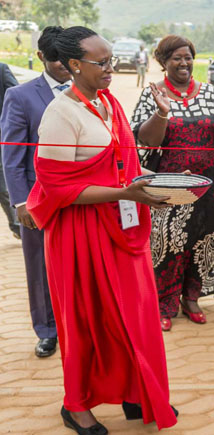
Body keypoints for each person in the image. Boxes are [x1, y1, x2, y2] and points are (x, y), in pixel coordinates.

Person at [28, 26, 177, 433]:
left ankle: (136, 390)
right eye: (103, 63)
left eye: (113, 60)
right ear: (74, 65)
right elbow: (58, 187)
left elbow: (124, 165)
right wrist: (124, 190)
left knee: (135, 314)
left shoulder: (108, 101)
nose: (113, 68)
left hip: (121, 228)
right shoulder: (60, 113)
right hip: (79, 233)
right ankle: (76, 406)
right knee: (87, 318)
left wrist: (159, 182)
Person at [131, 35, 214, 331]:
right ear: (163, 62)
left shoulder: (211, 93)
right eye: (176, 58)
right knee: (168, 243)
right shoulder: (153, 94)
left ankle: (191, 297)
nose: (184, 63)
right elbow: (146, 139)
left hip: (212, 184)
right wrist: (162, 112)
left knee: (203, 239)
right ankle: (164, 302)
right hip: (169, 186)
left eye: (188, 57)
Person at [1, 26, 69, 359]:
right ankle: (47, 330)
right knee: (40, 266)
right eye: (56, 60)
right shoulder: (21, 96)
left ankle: (77, 325)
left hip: (83, 196)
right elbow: (11, 155)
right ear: (42, 57)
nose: (64, 66)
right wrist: (21, 201)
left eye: (69, 59)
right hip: (38, 199)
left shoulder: (89, 92)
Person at [0, 60, 20, 239]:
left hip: (1, 139)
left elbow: (16, 99)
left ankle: (17, 226)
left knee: (3, 187)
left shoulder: (1, 69)